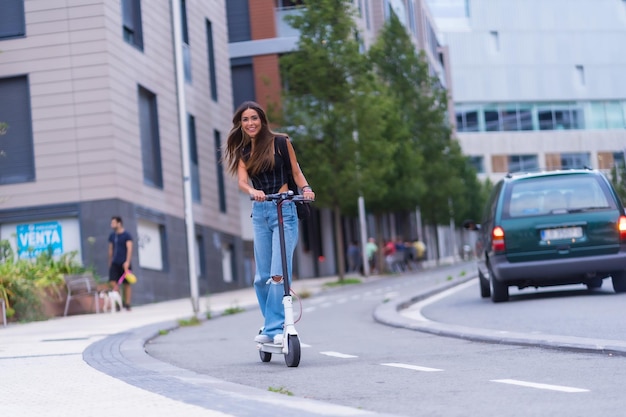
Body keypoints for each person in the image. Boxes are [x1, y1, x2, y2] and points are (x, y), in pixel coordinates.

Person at [224, 101, 315, 344]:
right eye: (245, 119)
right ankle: (271, 325)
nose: (250, 123)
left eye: (254, 118)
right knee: (260, 277)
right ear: (240, 124)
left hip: (284, 210)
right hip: (261, 213)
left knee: (277, 275)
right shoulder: (243, 151)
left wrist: (305, 188)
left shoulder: (281, 142)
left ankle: (274, 328)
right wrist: (252, 191)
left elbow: (296, 171)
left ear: (262, 120)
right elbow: (242, 181)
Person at [108, 216, 133, 311]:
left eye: (113, 223)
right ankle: (119, 302)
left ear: (119, 223)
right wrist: (110, 261)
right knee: (113, 282)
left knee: (126, 284)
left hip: (125, 263)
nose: (112, 225)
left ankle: (127, 304)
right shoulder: (112, 236)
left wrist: (127, 261)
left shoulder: (127, 235)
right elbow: (110, 249)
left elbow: (130, 248)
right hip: (115, 262)